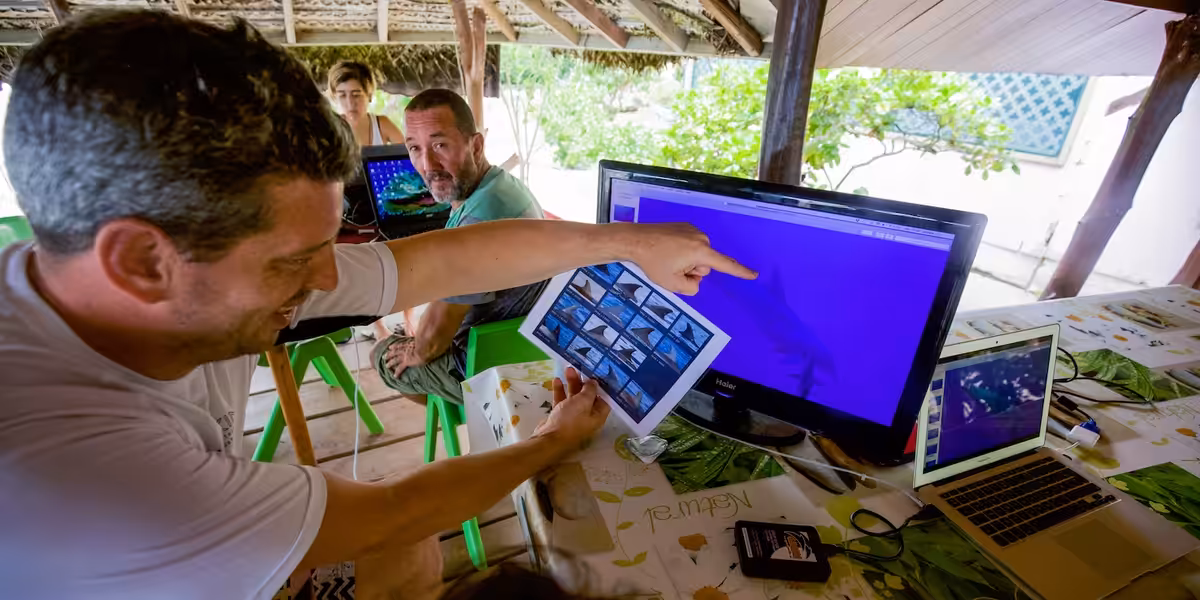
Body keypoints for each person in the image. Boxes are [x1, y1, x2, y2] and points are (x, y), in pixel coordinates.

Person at [0, 10, 756, 600]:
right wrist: (547, 445)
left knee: (401, 554)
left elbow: (430, 261)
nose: (331, 282)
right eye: (295, 260)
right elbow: (393, 512)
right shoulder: (87, 475)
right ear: (140, 261)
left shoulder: (134, 282)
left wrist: (627, 243)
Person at [373, 89, 546, 406]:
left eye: (440, 145)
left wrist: (414, 348)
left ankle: (467, 408)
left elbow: (431, 341)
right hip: (523, 345)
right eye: (414, 148)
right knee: (411, 328)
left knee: (381, 355)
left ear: (476, 145)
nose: (427, 164)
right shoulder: (502, 186)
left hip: (484, 365)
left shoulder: (478, 220)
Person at [329, 60, 403, 146]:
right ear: (334, 97)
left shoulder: (382, 125)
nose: (350, 103)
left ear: (369, 95)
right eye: (342, 96)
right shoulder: (329, 130)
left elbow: (409, 155)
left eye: (356, 95)